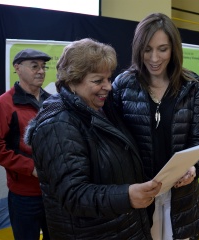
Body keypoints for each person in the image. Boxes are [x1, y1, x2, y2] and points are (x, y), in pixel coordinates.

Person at [24, 38, 162, 239]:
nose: (108, 86)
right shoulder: (57, 125)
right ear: (72, 81)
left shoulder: (102, 109)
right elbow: (74, 195)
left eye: (108, 78)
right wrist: (127, 196)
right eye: (98, 81)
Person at [112, 13, 199, 240]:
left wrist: (194, 168)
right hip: (139, 196)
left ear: (174, 49)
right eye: (147, 49)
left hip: (181, 195)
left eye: (162, 49)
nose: (154, 58)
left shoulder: (193, 87)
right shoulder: (123, 85)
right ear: (138, 49)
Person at [0, 49, 51, 239]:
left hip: (54, 191)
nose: (41, 71)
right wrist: (30, 167)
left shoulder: (52, 101)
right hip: (24, 195)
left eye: (43, 67)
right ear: (17, 68)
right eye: (34, 66)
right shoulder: (4, 104)